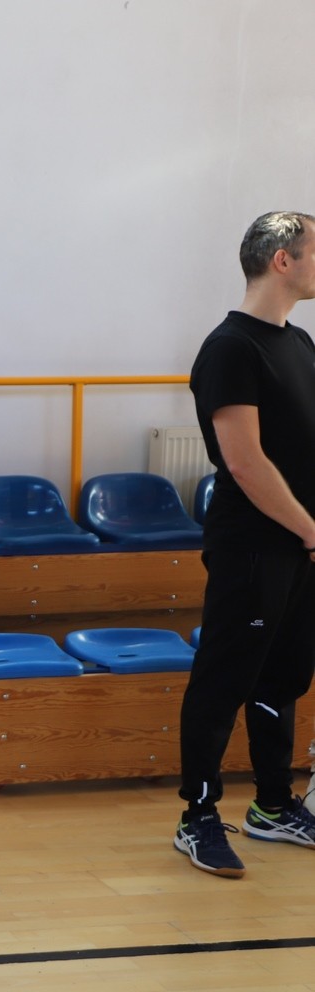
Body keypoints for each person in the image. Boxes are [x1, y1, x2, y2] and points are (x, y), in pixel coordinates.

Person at [172, 211, 315, 878]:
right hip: (254, 546)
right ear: (283, 259)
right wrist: (309, 530)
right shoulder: (230, 348)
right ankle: (197, 816)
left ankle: (272, 804)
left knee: (283, 675)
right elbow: (246, 462)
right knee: (224, 678)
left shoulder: (300, 343)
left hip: (301, 547)